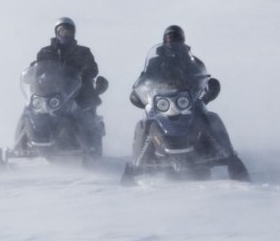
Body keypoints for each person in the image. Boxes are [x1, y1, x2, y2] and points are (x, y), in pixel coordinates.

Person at [129, 24, 234, 157]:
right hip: (162, 101)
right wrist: (141, 92)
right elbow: (145, 78)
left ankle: (230, 158)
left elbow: (201, 76)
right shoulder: (155, 62)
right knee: (144, 124)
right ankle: (137, 165)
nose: (172, 42)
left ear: (182, 40)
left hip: (186, 100)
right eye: (170, 39)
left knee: (212, 119)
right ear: (165, 40)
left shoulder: (192, 62)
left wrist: (203, 90)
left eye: (176, 39)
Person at [35, 17, 105, 149]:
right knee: (31, 110)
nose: (65, 35)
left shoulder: (83, 52)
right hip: (50, 92)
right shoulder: (46, 52)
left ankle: (91, 148)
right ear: (57, 33)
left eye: (68, 32)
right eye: (62, 31)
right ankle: (24, 141)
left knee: (86, 117)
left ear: (73, 33)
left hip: (77, 92)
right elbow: (38, 69)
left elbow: (92, 68)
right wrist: (33, 75)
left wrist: (85, 73)